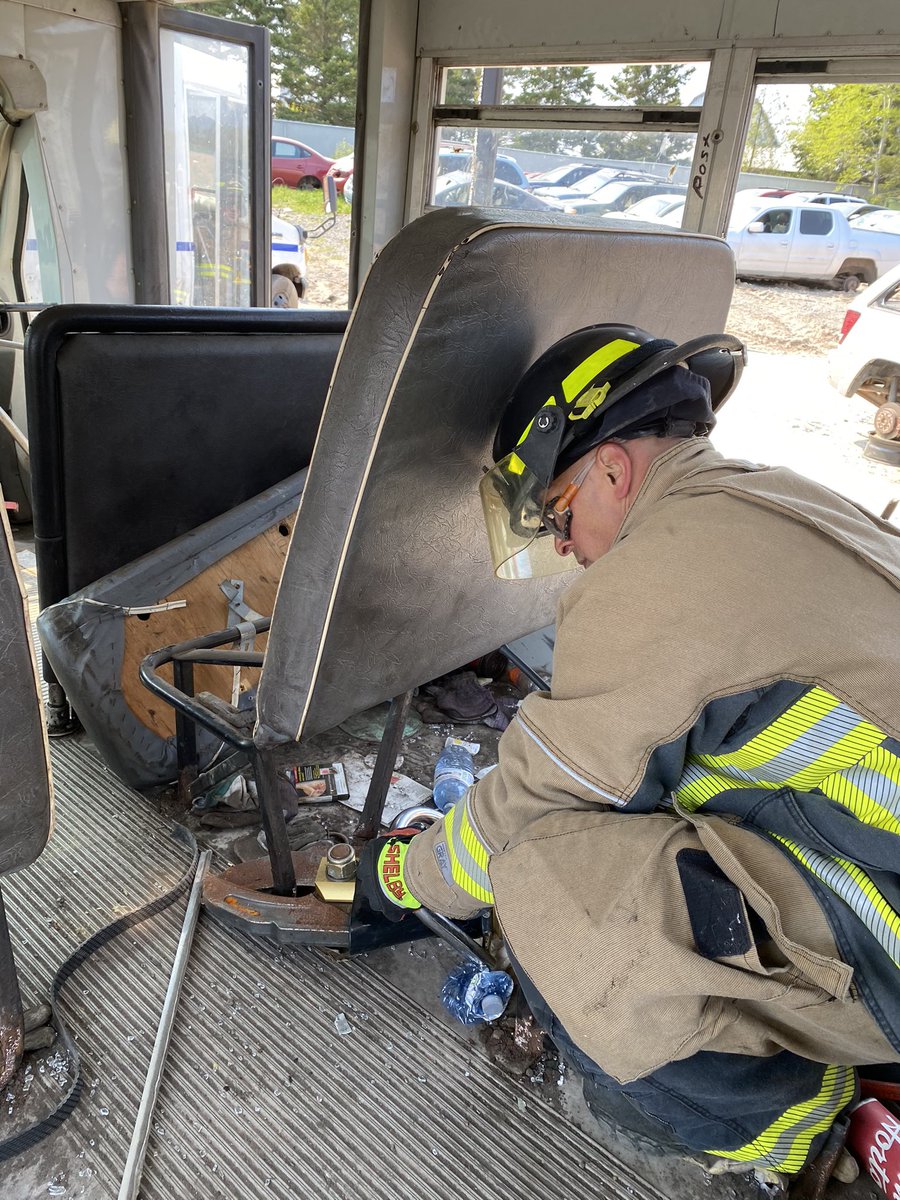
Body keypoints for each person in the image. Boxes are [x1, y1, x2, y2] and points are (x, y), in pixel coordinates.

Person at [358, 323, 900, 1178]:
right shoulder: (774, 497)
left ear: (612, 469)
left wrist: (402, 880)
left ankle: (793, 1136)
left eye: (559, 513)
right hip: (868, 855)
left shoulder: (662, 574)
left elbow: (528, 807)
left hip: (886, 926)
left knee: (541, 874)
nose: (564, 546)